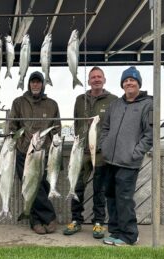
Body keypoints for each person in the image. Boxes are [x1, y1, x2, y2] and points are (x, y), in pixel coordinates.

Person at [100, 66, 153, 246]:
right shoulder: (115, 105)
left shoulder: (148, 105)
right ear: (122, 84)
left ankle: (130, 235)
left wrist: (135, 153)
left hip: (128, 163)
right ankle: (115, 231)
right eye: (126, 80)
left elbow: (150, 134)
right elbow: (105, 127)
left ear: (138, 83)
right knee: (111, 197)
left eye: (133, 80)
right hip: (110, 160)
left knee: (124, 199)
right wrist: (104, 146)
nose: (129, 83)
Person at [63, 67, 118, 239]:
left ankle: (99, 222)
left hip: (102, 153)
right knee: (77, 187)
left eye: (99, 77)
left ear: (104, 79)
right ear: (88, 81)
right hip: (81, 152)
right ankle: (76, 220)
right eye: (93, 77)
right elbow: (76, 122)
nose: (96, 79)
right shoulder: (80, 99)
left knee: (99, 190)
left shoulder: (113, 100)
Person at [9, 71, 61, 234]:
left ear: (43, 85)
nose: (35, 85)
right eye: (33, 82)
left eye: (38, 82)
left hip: (44, 153)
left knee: (42, 186)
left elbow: (57, 128)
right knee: (31, 186)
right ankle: (49, 217)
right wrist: (20, 142)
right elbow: (12, 127)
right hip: (25, 152)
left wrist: (54, 148)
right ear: (29, 84)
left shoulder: (52, 104)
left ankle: (36, 220)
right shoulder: (18, 102)